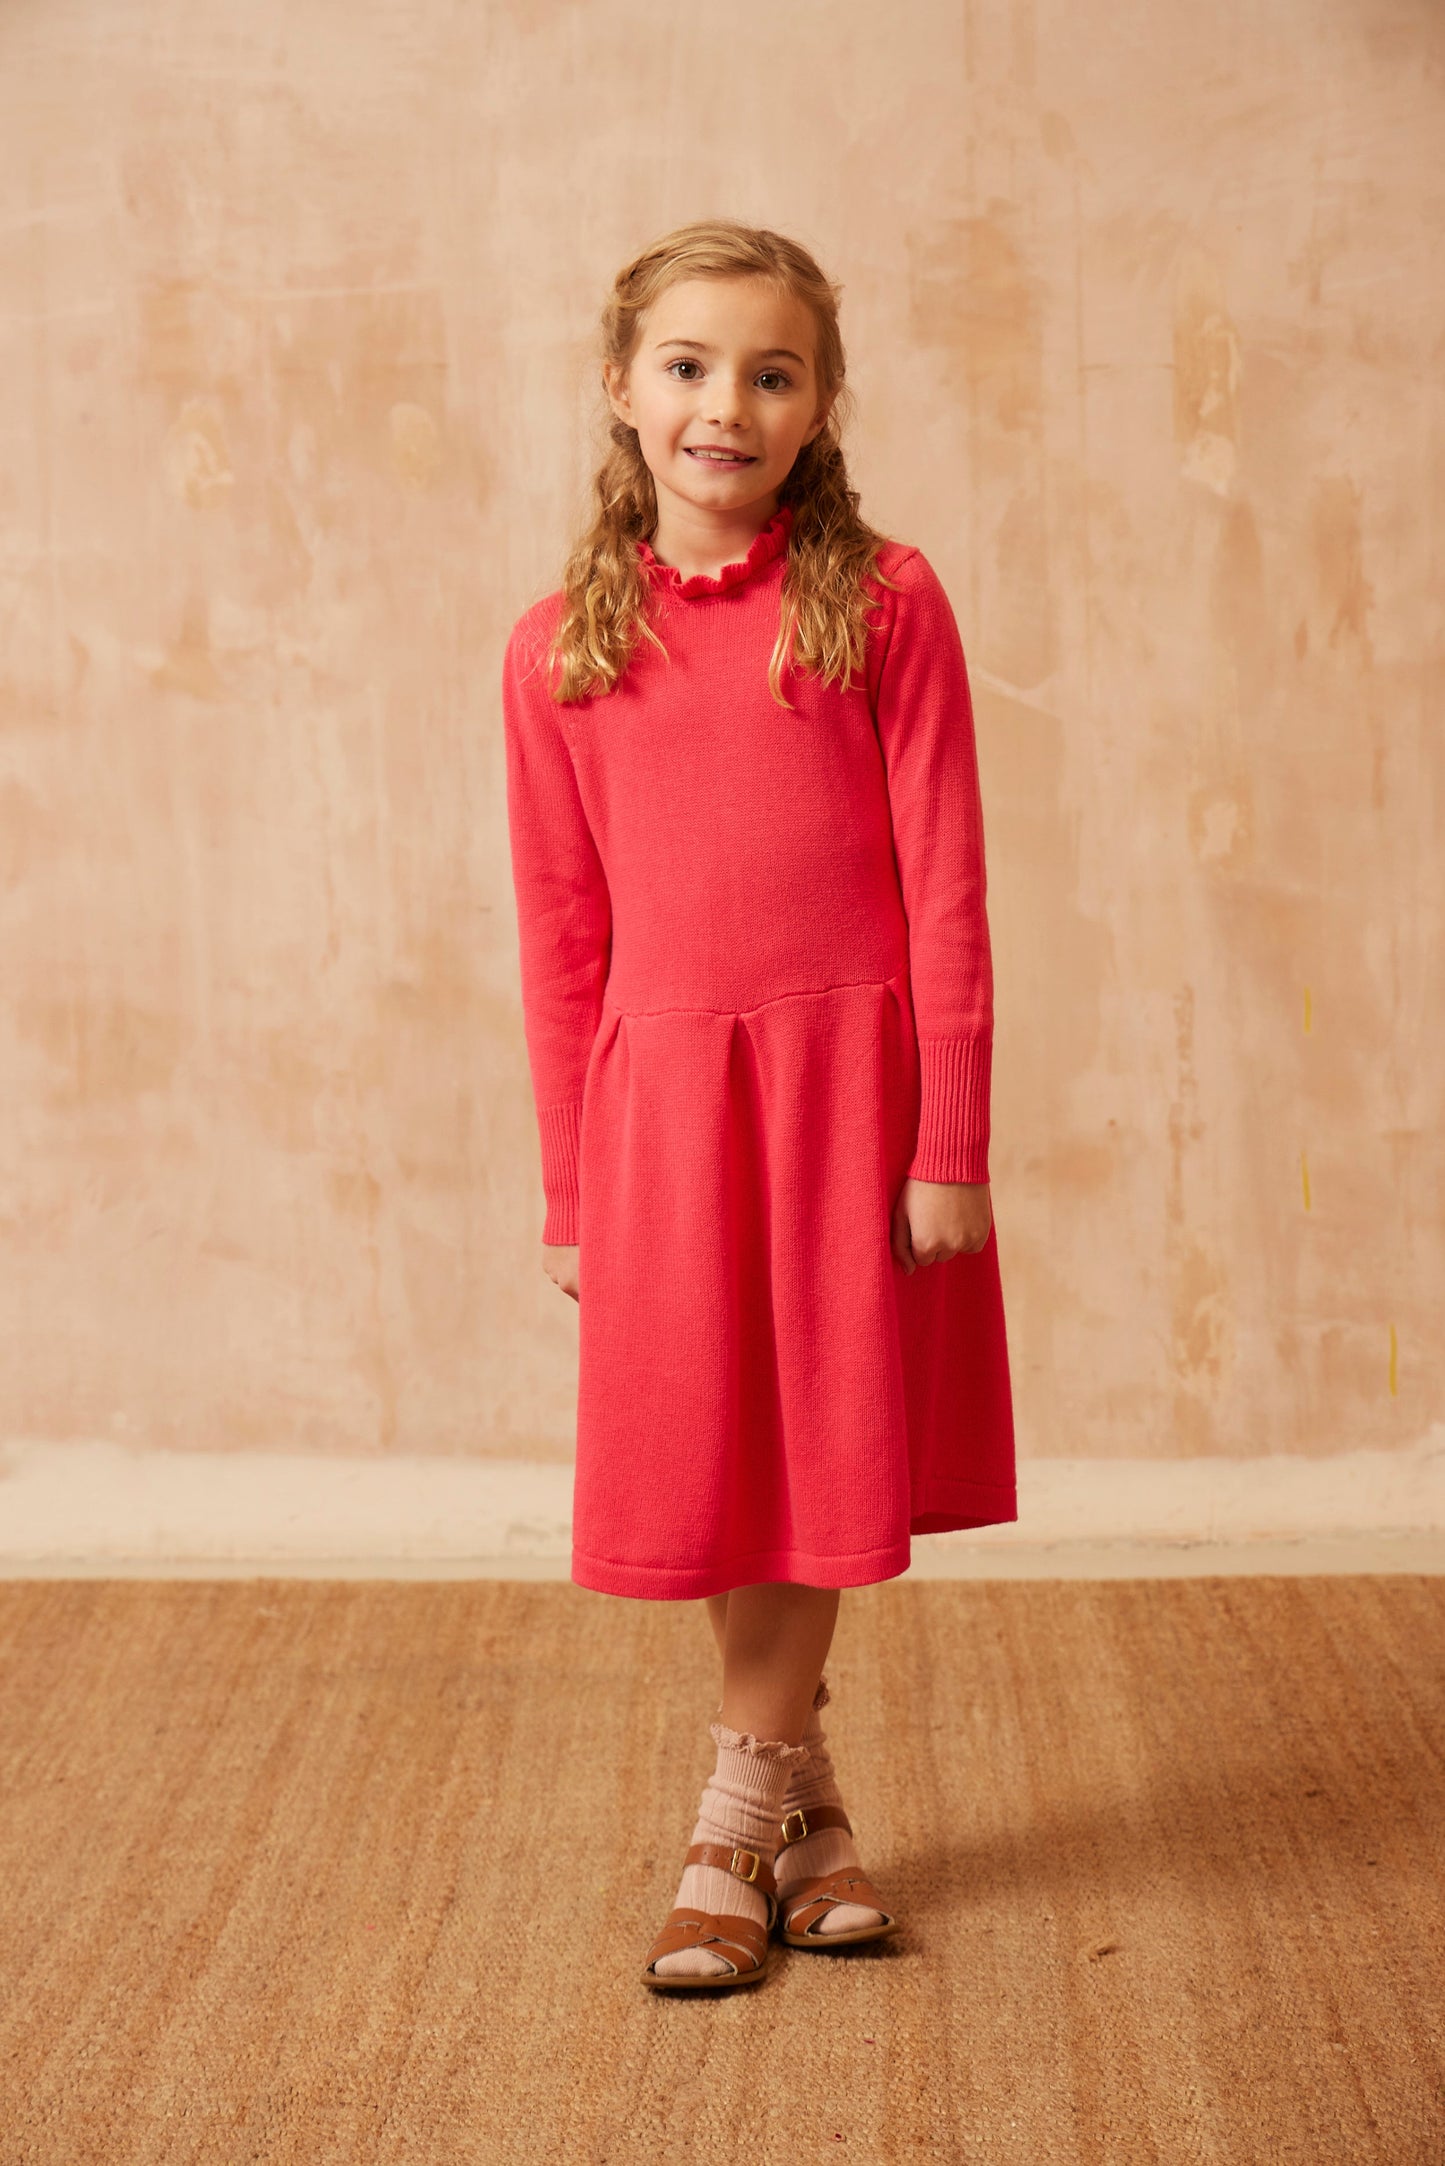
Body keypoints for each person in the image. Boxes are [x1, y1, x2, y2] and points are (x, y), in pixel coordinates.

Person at [501, 219, 1016, 1992]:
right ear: (620, 388)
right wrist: (571, 1188)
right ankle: (810, 1816)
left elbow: (947, 885)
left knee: (816, 1449)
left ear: (819, 403)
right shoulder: (557, 650)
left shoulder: (884, 601)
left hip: (845, 1101)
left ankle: (731, 1814)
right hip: (665, 1109)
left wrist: (949, 1139)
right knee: (730, 1462)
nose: (726, 404)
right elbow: (561, 932)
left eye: (771, 372)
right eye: (689, 365)